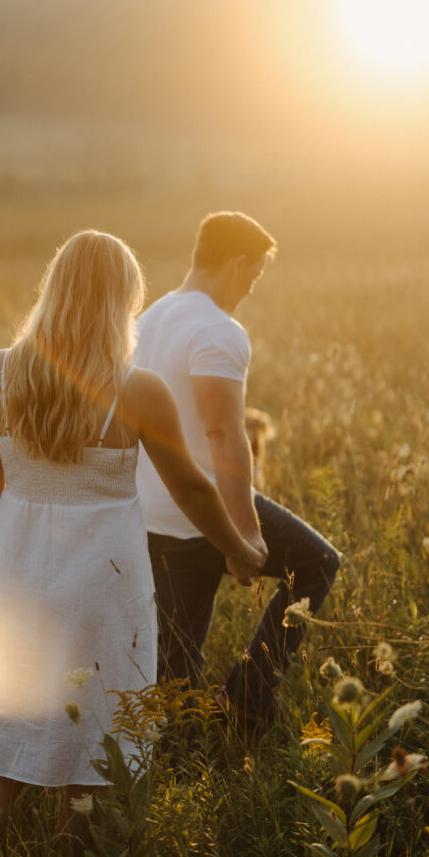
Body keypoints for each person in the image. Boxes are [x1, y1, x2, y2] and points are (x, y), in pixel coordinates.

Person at [0, 231, 264, 857]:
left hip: (22, 590)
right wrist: (239, 546)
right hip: (103, 594)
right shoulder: (135, 389)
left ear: (53, 289)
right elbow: (192, 488)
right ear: (122, 302)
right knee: (94, 764)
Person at [135, 211, 340, 734]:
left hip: (149, 515)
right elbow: (226, 438)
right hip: (202, 512)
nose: (250, 290)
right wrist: (242, 536)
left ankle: (175, 762)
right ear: (235, 264)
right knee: (317, 564)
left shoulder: (147, 321)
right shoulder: (220, 331)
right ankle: (248, 696)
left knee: (175, 673)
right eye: (253, 276)